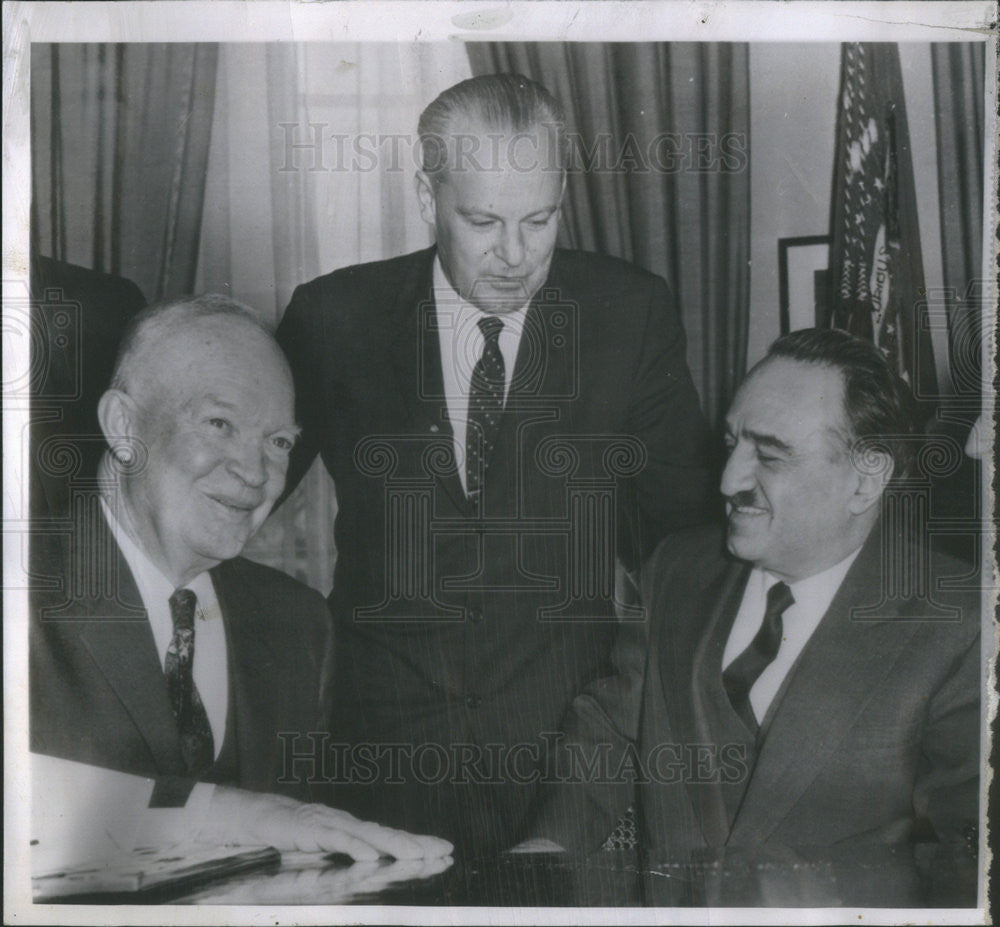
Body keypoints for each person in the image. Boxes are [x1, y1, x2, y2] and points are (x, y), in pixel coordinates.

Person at [276, 73, 714, 855]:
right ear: (426, 195)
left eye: (539, 220)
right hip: (380, 767)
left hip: (568, 769)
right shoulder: (333, 317)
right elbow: (238, 491)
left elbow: (688, 547)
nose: (515, 256)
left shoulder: (629, 315)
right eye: (482, 221)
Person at [524, 328, 981, 907]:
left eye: (768, 456)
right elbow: (609, 731)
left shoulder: (961, 622)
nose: (728, 481)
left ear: (866, 479)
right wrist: (546, 851)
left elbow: (964, 859)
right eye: (732, 443)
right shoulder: (677, 568)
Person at [30, 295, 451, 861]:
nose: (255, 474)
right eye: (219, 424)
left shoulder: (297, 623)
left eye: (278, 442)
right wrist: (226, 815)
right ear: (123, 426)